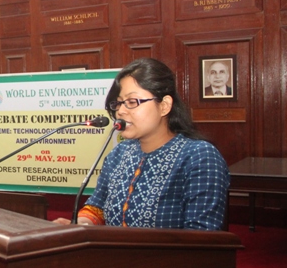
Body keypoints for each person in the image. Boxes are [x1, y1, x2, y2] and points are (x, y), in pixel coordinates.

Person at [54, 58, 229, 230]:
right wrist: (81, 224)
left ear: (164, 106)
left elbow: (202, 235)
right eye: (119, 103)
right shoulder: (119, 154)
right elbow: (97, 207)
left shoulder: (200, 157)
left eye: (132, 102)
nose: (121, 111)